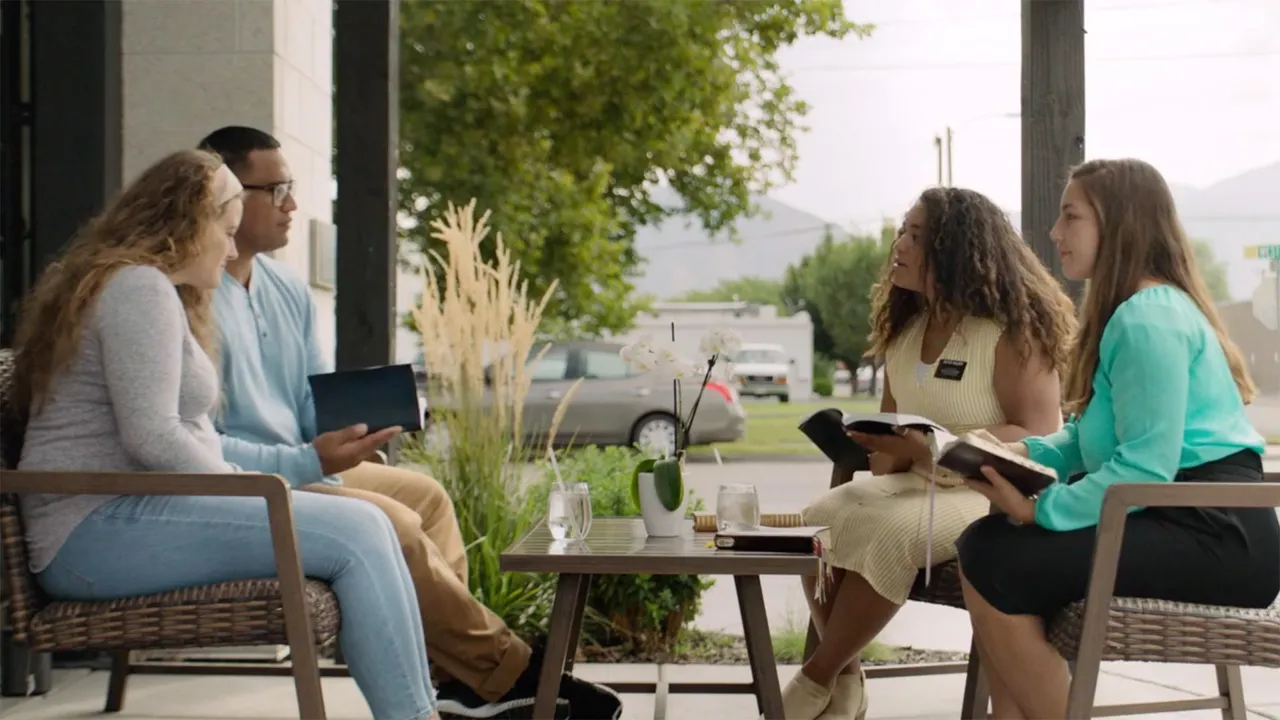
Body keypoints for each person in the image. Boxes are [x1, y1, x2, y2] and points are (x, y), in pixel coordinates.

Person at [195, 126, 621, 720]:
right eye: (278, 189)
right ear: (227, 197)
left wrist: (358, 428)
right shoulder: (193, 294)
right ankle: (510, 671)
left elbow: (313, 396)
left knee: (426, 497)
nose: (293, 204)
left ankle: (455, 687)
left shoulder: (287, 289)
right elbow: (194, 436)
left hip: (308, 463)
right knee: (391, 521)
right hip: (258, 478)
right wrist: (316, 454)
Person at [13, 150, 441, 720]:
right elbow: (153, 436)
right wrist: (250, 485)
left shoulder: (151, 289)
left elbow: (171, 435)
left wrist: (260, 479)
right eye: (228, 231)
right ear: (189, 224)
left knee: (371, 524)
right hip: (92, 533)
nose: (234, 250)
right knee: (360, 529)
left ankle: (419, 712)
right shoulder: (137, 288)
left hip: (124, 516)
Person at [955, 158, 1280, 719]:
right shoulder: (1138, 313)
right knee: (992, 546)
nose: (1055, 233)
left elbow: (1146, 467)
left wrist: (1041, 510)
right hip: (1183, 517)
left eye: (1070, 217)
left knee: (992, 553)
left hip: (1215, 534)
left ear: (1119, 224)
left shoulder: (1148, 319)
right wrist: (1010, 453)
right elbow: (1089, 441)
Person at [788, 187, 1078, 720]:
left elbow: (1039, 433)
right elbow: (891, 457)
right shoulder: (905, 332)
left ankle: (816, 678)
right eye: (903, 230)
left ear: (955, 251)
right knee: (819, 521)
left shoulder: (1013, 333)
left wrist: (936, 444)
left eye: (917, 236)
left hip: (990, 494)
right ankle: (847, 680)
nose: (899, 244)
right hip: (916, 481)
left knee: (892, 534)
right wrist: (880, 445)